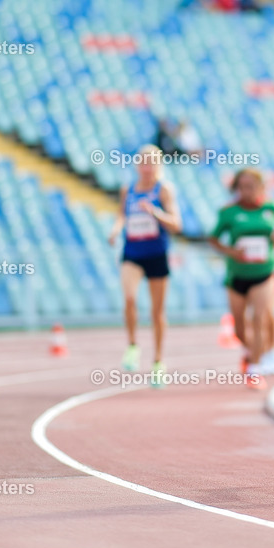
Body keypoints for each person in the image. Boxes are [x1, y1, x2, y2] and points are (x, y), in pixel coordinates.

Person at [209, 169, 274, 386]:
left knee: (260, 317)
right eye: (242, 187)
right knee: (238, 329)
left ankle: (255, 367)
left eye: (251, 186)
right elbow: (214, 239)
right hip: (237, 275)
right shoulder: (228, 212)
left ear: (261, 187)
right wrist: (231, 252)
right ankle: (256, 350)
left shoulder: (272, 207)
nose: (246, 191)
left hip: (265, 272)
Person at [108, 145, 182, 386]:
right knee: (129, 298)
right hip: (132, 252)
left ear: (158, 165)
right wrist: (116, 230)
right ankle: (132, 346)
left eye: (152, 162)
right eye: (143, 162)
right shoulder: (127, 190)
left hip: (156, 254)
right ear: (137, 164)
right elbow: (122, 215)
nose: (147, 167)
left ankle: (158, 362)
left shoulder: (163, 190)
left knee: (157, 311)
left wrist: (155, 213)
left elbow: (176, 224)